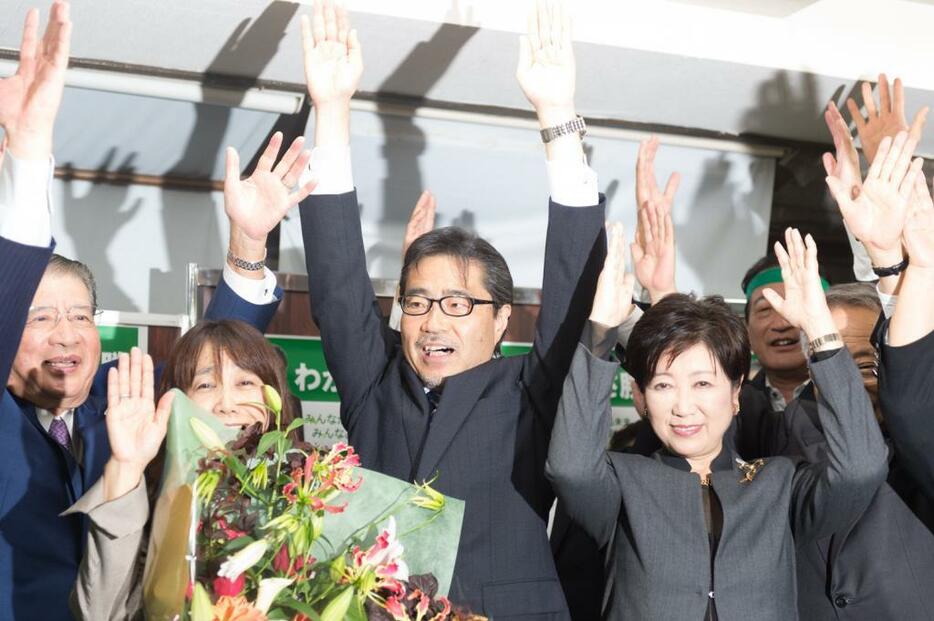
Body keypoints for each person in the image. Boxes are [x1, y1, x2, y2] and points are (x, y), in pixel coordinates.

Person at [0, 5, 315, 618]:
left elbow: (212, 372)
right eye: (38, 318)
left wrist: (249, 244)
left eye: (79, 316)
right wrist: (28, 157)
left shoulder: (128, 404)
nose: (65, 334)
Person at [297, 0, 604, 615]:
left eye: (459, 303)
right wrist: (331, 113)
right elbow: (337, 287)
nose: (433, 320)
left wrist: (556, 117)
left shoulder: (531, 392)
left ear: (500, 322)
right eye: (417, 302)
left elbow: (573, 289)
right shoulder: (375, 389)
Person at [547, 223, 887, 620]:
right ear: (642, 398)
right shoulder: (623, 482)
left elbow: (860, 469)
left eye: (703, 383)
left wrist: (820, 331)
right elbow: (569, 467)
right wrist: (599, 333)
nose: (683, 406)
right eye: (663, 386)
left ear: (735, 392)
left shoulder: (779, 483)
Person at [67, 319, 301, 620]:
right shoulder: (158, 503)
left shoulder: (308, 493)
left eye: (245, 382)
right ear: (177, 401)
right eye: (206, 384)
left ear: (274, 397)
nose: (227, 405)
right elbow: (99, 613)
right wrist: (126, 467)